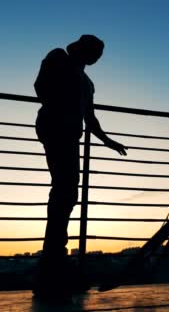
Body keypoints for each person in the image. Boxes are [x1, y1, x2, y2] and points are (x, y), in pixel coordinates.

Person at [32, 35, 128, 301]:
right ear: (82, 48)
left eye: (99, 54)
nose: (97, 57)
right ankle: (53, 263)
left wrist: (107, 140)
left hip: (70, 134)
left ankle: (54, 260)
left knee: (66, 194)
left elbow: (90, 117)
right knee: (63, 192)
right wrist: (62, 103)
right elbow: (41, 88)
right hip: (55, 128)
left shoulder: (87, 82)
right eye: (95, 51)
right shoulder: (58, 58)